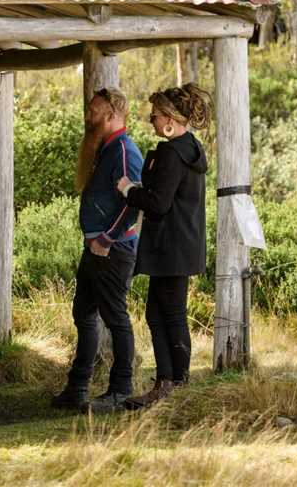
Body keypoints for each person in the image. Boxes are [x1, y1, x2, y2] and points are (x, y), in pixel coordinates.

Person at [116, 83, 211, 410]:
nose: (150, 120)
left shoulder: (172, 153)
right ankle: (171, 382)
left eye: (155, 115)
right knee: (165, 315)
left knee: (164, 315)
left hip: (170, 246)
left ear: (170, 118)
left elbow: (158, 203)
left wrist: (129, 189)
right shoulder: (189, 149)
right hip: (181, 244)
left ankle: (171, 385)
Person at [51, 88, 144, 414]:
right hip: (95, 247)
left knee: (116, 317)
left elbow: (132, 202)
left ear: (112, 113)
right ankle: (77, 388)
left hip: (112, 249)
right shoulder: (104, 149)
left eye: (94, 111)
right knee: (83, 314)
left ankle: (120, 390)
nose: (87, 116)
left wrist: (106, 239)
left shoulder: (122, 150)